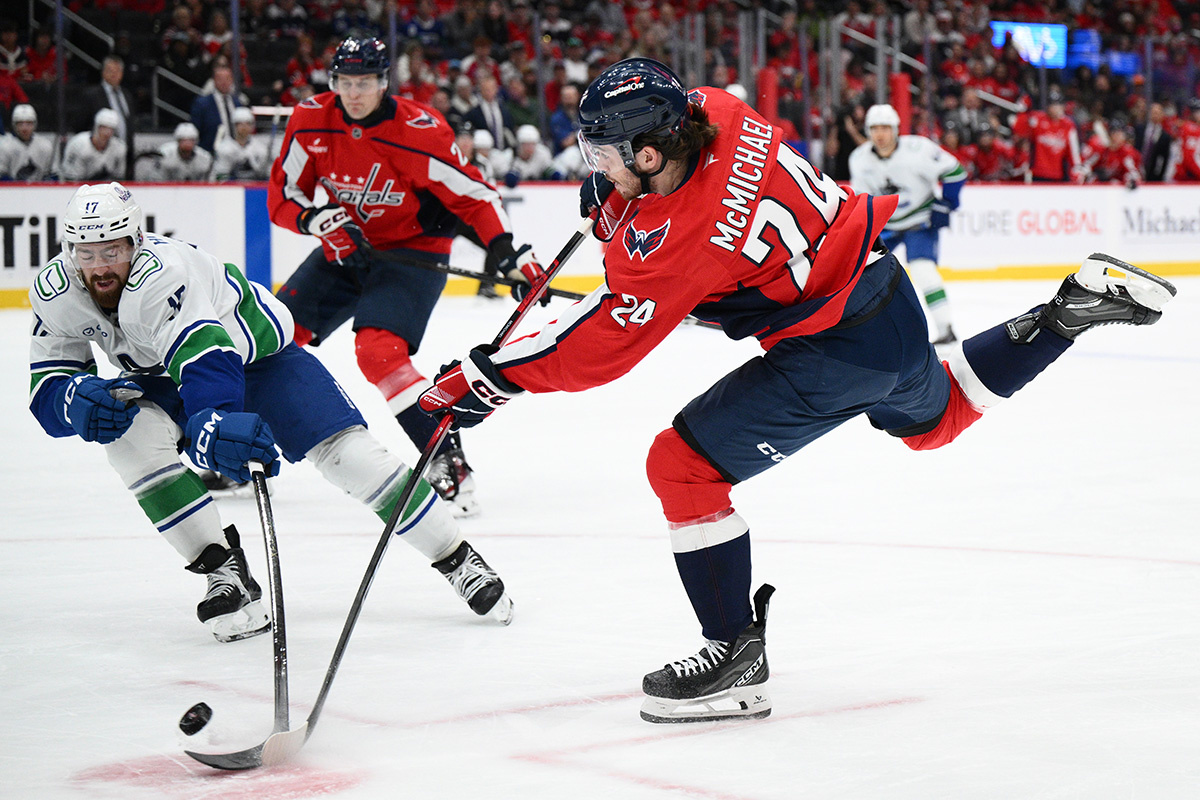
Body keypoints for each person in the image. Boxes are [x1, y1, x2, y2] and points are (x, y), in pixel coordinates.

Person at [417, 58, 1176, 724]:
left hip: (833, 348)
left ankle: (733, 656)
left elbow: (605, 342)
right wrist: (622, 200)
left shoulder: (689, 238)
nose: (598, 164)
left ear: (650, 151)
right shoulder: (716, 108)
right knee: (937, 418)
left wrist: (490, 375)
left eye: (608, 153)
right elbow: (670, 207)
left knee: (680, 466)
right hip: (884, 294)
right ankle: (1063, 314)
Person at [27, 182, 514, 643]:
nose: (100, 266)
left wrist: (212, 419)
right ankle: (225, 573)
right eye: (87, 253)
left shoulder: (162, 273)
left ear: (135, 241)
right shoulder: (55, 291)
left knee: (351, 458)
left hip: (260, 359)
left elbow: (204, 353)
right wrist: (71, 401)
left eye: (112, 250)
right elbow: (45, 385)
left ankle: (457, 558)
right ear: (70, 251)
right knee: (129, 437)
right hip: (163, 374)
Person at [268, 37, 544, 518]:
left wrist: (504, 252)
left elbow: (474, 196)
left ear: (384, 82)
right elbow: (282, 197)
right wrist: (315, 221)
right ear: (333, 82)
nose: (355, 93)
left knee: (378, 353)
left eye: (365, 82)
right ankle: (241, 446)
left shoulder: (418, 130)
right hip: (346, 245)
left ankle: (445, 460)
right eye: (346, 82)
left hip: (413, 250)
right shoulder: (310, 120)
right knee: (270, 336)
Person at [849, 103, 966, 345]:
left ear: (895, 129)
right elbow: (861, 199)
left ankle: (945, 328)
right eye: (874, 128)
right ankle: (866, 333)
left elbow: (955, 171)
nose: (880, 134)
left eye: (885, 128)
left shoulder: (918, 149)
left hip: (920, 221)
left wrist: (948, 202)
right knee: (863, 275)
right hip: (885, 225)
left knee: (923, 270)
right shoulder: (859, 159)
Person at [78, 55, 136, 179]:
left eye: (117, 71)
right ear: (103, 72)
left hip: (123, 154)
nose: (114, 74)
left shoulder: (127, 95)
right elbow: (80, 124)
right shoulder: (92, 95)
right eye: (110, 70)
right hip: (98, 154)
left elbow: (129, 124)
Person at [190, 61, 244, 154]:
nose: (224, 82)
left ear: (232, 80)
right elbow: (195, 130)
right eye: (220, 79)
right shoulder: (202, 104)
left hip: (236, 153)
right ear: (214, 81)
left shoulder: (237, 103)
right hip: (210, 152)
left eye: (227, 79)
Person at [60, 109, 127, 182]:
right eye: (103, 128)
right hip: (79, 185)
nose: (107, 132)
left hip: (106, 186)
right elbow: (70, 178)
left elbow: (119, 178)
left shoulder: (119, 148)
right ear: (96, 127)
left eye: (111, 129)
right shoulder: (78, 144)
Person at [0, 103, 55, 181]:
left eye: (29, 123)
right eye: (20, 124)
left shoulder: (45, 146)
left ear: (35, 124)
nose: (24, 128)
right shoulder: (4, 146)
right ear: (14, 125)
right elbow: (2, 176)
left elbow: (53, 175)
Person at [213, 105, 270, 180]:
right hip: (232, 185)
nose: (244, 127)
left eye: (248, 124)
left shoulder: (260, 148)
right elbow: (220, 176)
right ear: (234, 126)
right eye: (240, 124)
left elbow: (266, 174)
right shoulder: (224, 148)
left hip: (255, 185)